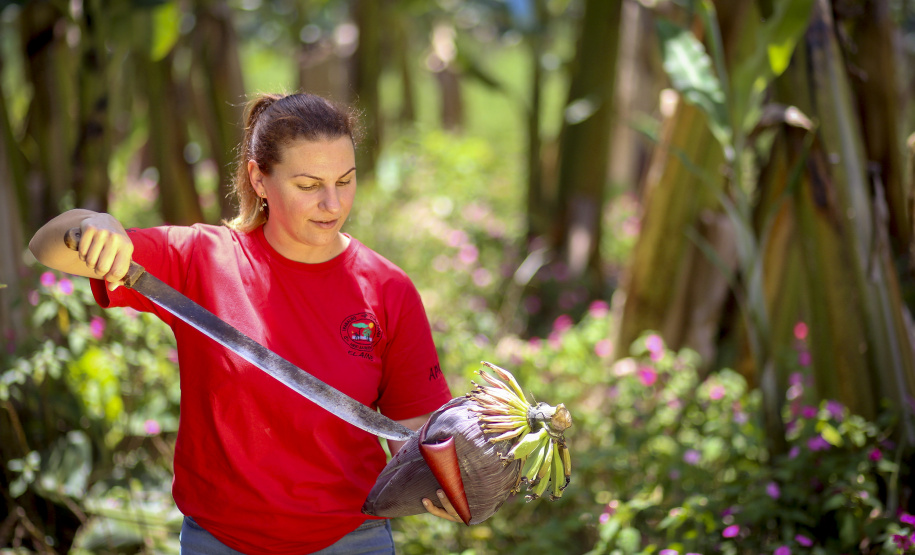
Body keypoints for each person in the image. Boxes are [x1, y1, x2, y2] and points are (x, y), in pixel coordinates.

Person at [29, 92, 462, 554]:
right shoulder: (201, 259)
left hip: (352, 540)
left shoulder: (388, 288)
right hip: (220, 542)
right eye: (309, 185)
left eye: (346, 180)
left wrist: (460, 478)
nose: (332, 203)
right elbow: (46, 244)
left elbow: (414, 429)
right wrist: (94, 225)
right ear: (259, 178)